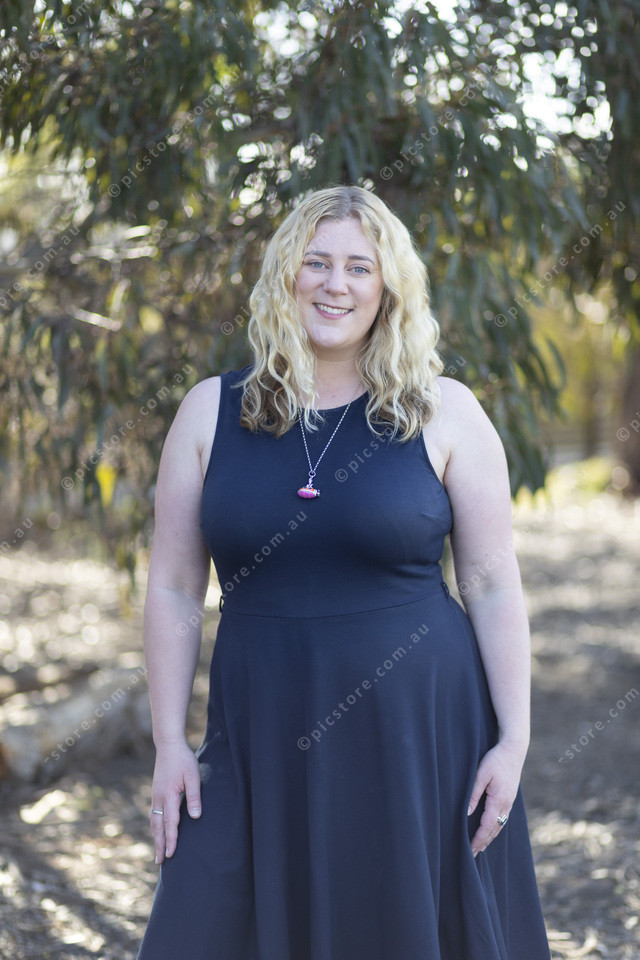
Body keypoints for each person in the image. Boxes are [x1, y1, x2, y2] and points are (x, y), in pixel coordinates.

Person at [135, 184, 551, 960]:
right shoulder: (210, 411)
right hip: (258, 731)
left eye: (360, 267)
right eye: (316, 262)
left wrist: (514, 740)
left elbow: (493, 584)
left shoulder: (445, 412)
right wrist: (169, 742)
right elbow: (174, 586)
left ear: (388, 288)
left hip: (419, 733)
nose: (336, 284)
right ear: (284, 275)